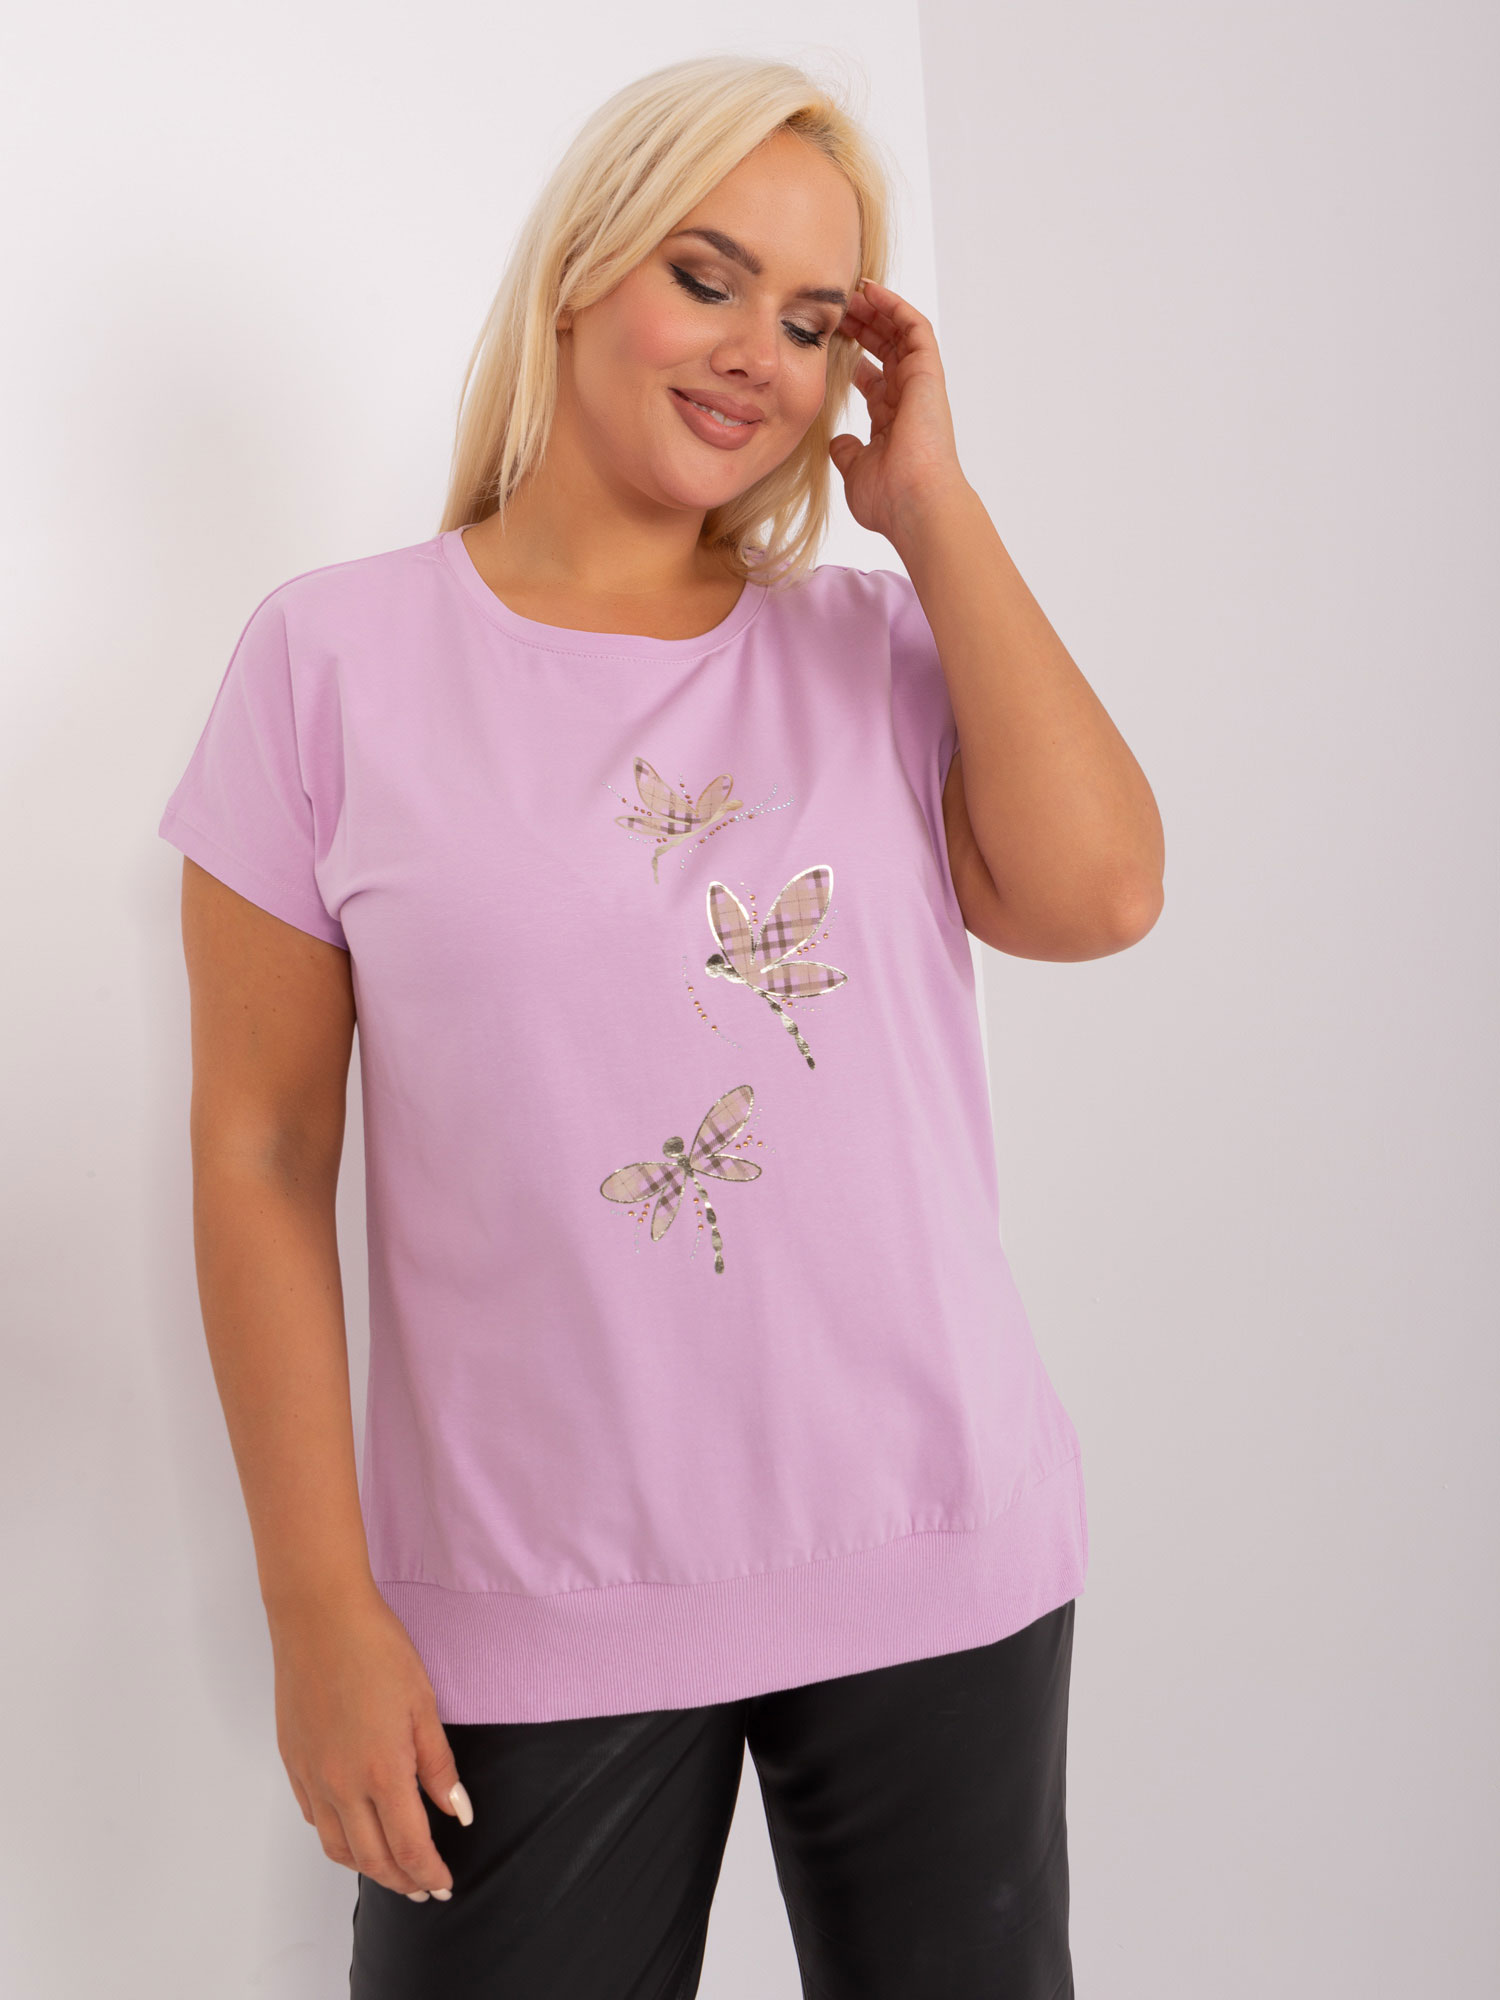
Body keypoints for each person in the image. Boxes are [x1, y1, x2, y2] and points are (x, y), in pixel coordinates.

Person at [159, 51, 1163, 2000]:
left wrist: (932, 509)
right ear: (578, 272)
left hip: (930, 1540)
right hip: (531, 1594)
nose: (753, 355)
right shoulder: (330, 660)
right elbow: (261, 1151)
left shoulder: (874, 646)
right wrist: (316, 1608)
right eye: (707, 277)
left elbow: (1102, 894)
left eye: (810, 319)